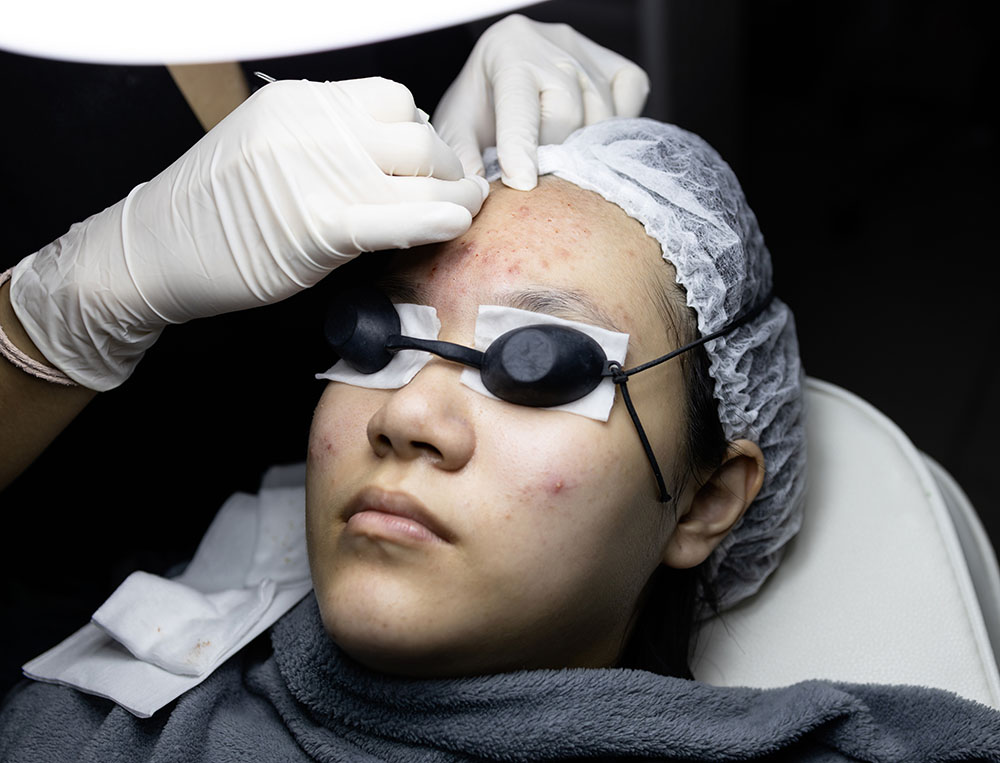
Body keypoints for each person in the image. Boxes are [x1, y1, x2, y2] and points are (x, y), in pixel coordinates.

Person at [3, 17, 1000, 763]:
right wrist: (53, 315)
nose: (406, 414)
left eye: (539, 362)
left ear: (703, 500)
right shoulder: (69, 731)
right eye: (375, 338)